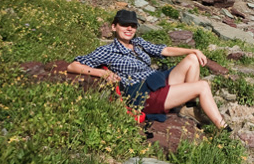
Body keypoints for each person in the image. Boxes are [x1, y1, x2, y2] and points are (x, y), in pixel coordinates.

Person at [67, 9, 230, 131]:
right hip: (141, 92)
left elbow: (164, 50)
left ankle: (187, 107)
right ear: (114, 27)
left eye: (133, 26)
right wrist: (102, 73)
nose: (129, 28)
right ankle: (223, 129)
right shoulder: (107, 50)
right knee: (202, 86)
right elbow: (73, 66)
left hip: (156, 79)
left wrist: (192, 51)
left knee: (192, 60)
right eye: (124, 25)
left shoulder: (138, 43)